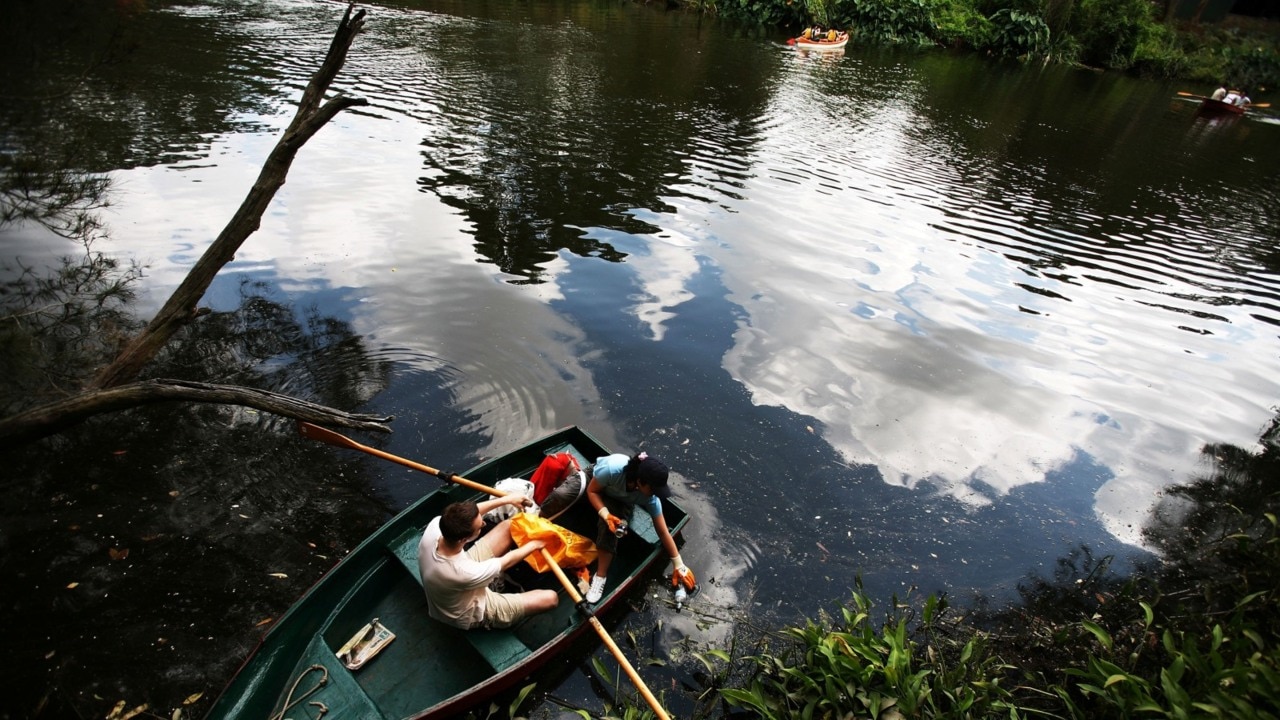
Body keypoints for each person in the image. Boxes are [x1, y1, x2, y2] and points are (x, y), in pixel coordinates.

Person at [417, 495, 558, 629]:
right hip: (472, 610)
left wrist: (508, 500)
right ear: (463, 540)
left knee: (509, 526)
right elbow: (506, 561)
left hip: (456, 579)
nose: (484, 523)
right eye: (480, 527)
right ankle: (493, 590)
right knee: (551, 598)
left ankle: (489, 581)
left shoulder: (436, 525)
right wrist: (535, 544)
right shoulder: (465, 572)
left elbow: (471, 514)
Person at [583, 451, 695, 603]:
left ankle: (600, 576)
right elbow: (592, 490)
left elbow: (662, 532)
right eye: (653, 489)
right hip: (597, 483)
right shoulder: (612, 469)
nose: (655, 494)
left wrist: (678, 564)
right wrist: (605, 513)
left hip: (620, 500)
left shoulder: (651, 499)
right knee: (565, 493)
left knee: (611, 530)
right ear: (640, 481)